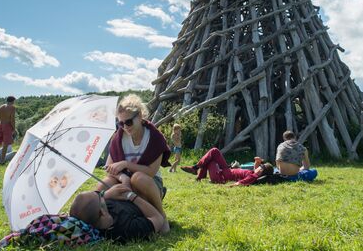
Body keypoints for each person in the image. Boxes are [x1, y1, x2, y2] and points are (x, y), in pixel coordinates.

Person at [100, 94, 171, 230]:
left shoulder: (155, 138)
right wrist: (123, 177)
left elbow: (150, 172)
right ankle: (94, 214)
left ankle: (161, 215)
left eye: (128, 122)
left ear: (139, 116)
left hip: (149, 183)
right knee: (105, 183)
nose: (125, 127)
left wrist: (126, 164)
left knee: (138, 178)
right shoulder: (119, 137)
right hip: (125, 179)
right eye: (120, 123)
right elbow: (109, 166)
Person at [69, 183, 167, 243]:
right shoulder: (127, 230)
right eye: (99, 195)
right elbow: (157, 218)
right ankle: (158, 194)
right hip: (145, 203)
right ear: (102, 211)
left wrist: (122, 178)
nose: (102, 194)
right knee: (140, 178)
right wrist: (132, 196)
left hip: (127, 197)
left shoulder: (101, 212)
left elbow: (94, 202)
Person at [181, 147, 274, 186]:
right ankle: (197, 172)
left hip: (220, 177)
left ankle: (196, 170)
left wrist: (232, 186)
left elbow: (242, 183)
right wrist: (258, 161)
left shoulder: (253, 176)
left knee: (211, 158)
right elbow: (256, 162)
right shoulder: (254, 173)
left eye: (261, 166)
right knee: (214, 152)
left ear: (261, 170)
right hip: (226, 170)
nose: (258, 166)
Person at [0, 96, 16, 164]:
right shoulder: (12, 107)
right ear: (13, 101)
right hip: (7, 126)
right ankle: (2, 161)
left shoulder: (1, 106)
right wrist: (14, 128)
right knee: (5, 144)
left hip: (1, 125)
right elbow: (12, 119)